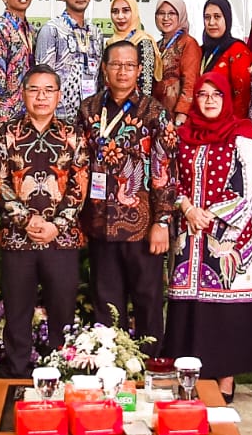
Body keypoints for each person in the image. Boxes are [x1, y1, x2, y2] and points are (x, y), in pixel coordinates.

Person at [163, 71, 252, 401]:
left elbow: (246, 187)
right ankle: (191, 376)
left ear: (226, 99)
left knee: (225, 311)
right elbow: (171, 178)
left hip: (229, 238)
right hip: (189, 236)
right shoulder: (182, 135)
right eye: (203, 95)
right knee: (191, 308)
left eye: (216, 95)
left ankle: (225, 380)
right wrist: (187, 207)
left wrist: (212, 216)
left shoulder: (241, 134)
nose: (208, 101)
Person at [0, 66, 90, 377]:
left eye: (49, 90)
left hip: (62, 239)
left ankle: (62, 370)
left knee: (63, 310)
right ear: (23, 93)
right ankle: (17, 372)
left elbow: (80, 184)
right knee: (17, 312)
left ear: (59, 95)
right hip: (18, 239)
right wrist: (24, 220)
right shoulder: (4, 132)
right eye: (34, 89)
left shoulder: (73, 135)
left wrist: (56, 224)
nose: (42, 96)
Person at [79, 41, 174, 355]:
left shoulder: (154, 111)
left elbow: (164, 170)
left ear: (139, 70)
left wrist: (162, 221)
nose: (122, 71)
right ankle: (112, 372)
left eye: (129, 65)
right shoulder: (89, 109)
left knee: (147, 303)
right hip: (99, 225)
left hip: (141, 227)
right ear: (104, 68)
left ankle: (151, 371)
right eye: (116, 64)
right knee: (105, 307)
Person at [34, 0, 102, 122]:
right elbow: (43, 79)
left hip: (90, 116)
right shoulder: (51, 30)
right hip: (58, 117)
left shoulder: (96, 33)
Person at [200, 0, 252, 116]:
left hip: (227, 125)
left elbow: (242, 97)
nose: (211, 22)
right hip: (200, 122)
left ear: (227, 19)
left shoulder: (237, 50)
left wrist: (233, 127)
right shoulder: (201, 50)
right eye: (207, 17)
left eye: (217, 17)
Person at [106, 0, 160, 101]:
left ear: (134, 12)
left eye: (126, 11)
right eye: (115, 12)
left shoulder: (143, 42)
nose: (120, 16)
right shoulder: (109, 43)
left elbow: (146, 86)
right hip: (110, 105)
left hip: (135, 107)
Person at [155, 0, 201, 124]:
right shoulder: (157, 45)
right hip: (157, 114)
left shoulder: (188, 43)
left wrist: (182, 113)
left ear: (180, 15)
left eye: (172, 13)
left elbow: (190, 82)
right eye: (161, 13)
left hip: (178, 117)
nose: (166, 18)